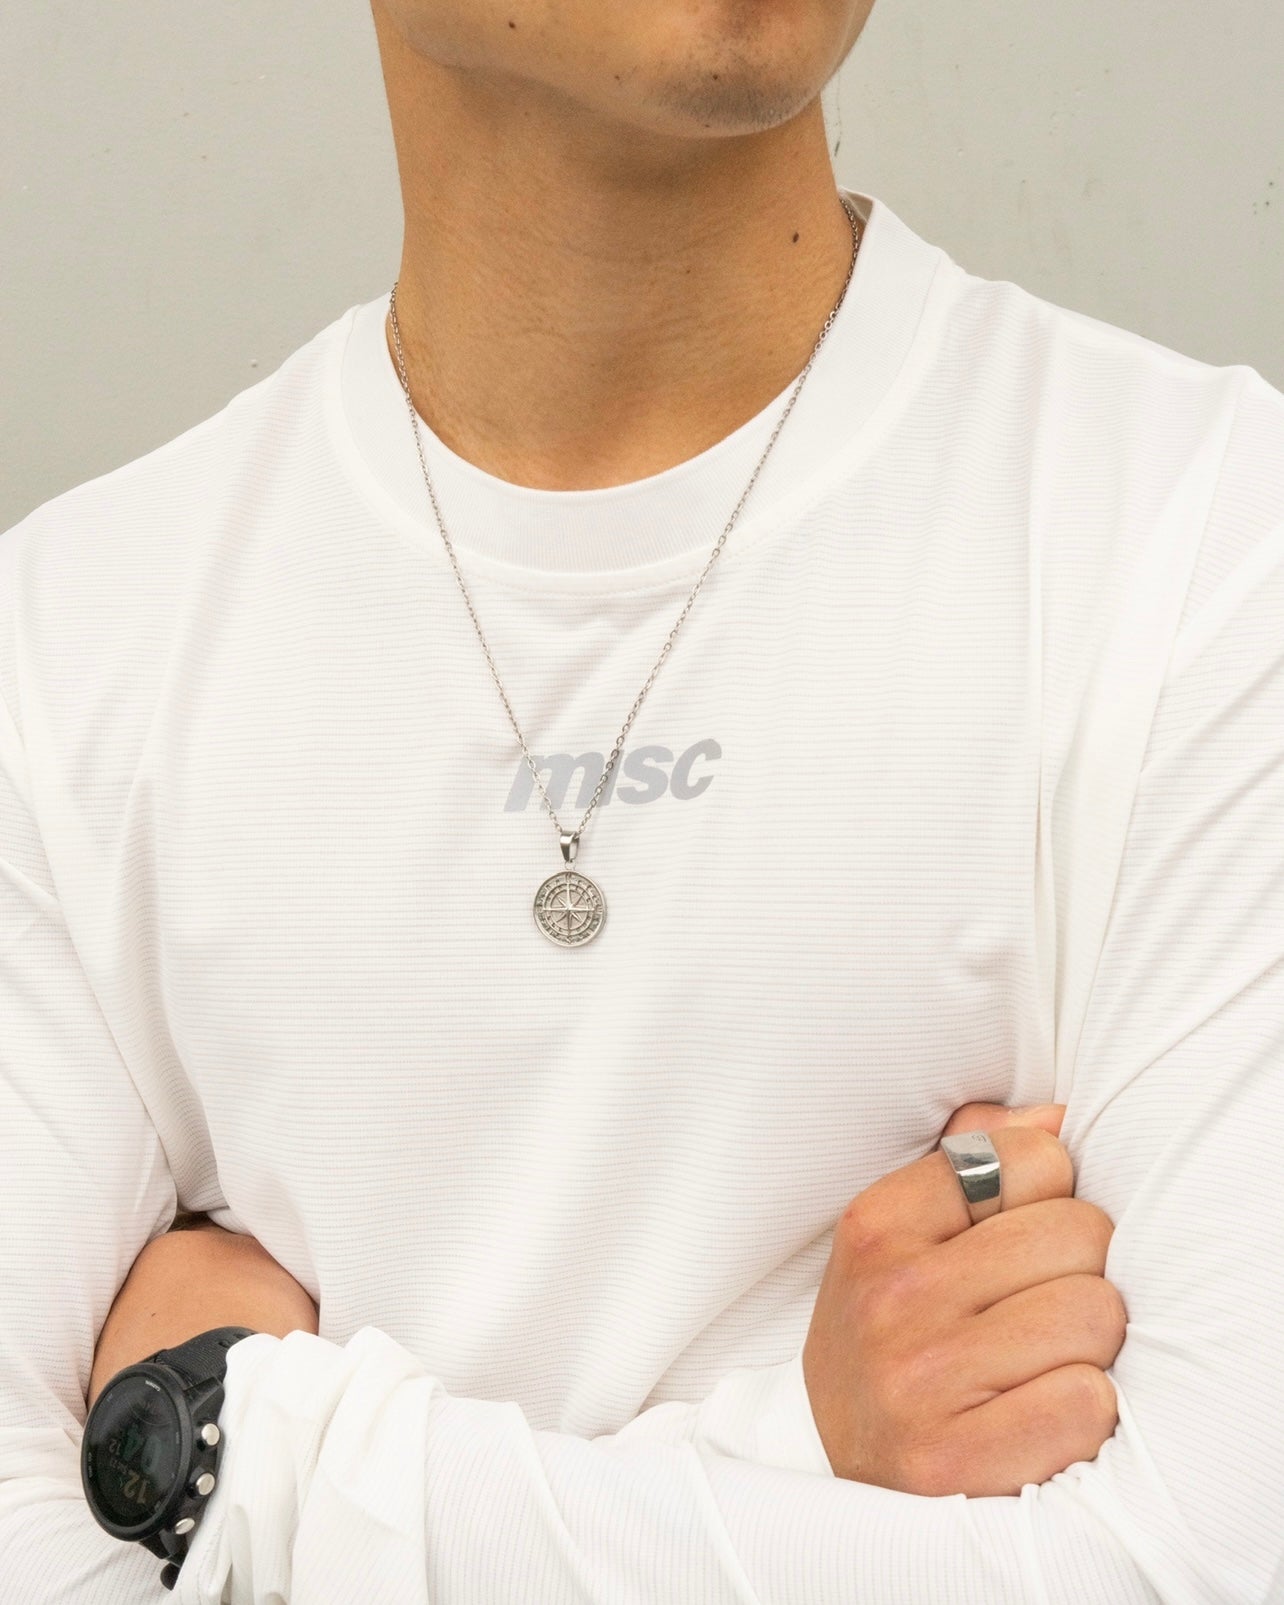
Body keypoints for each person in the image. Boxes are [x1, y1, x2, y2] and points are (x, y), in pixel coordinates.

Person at [2, 1, 1282, 1600]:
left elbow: (1207, 1565)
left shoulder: (1208, 551)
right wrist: (800, 1443)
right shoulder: (64, 655)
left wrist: (267, 1470)